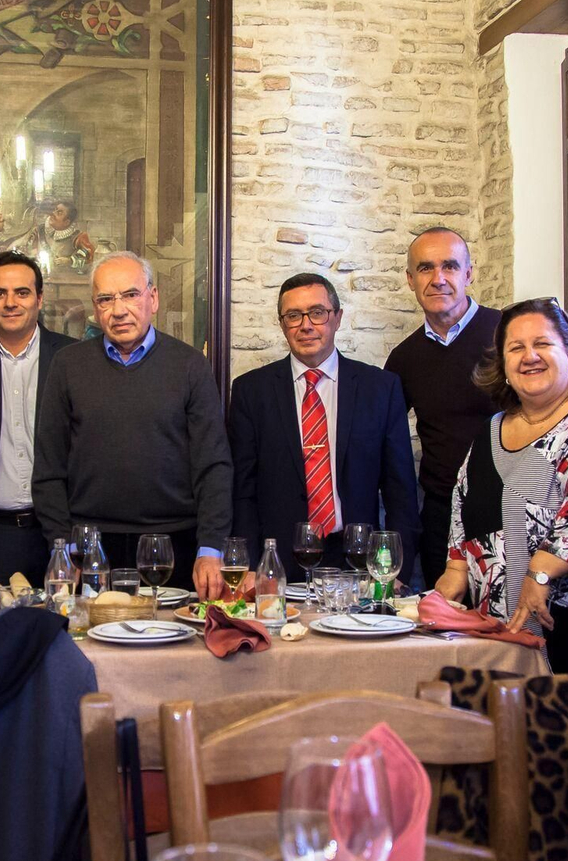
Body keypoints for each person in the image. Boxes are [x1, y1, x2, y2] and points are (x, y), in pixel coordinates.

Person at [436, 298, 568, 672]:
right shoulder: (491, 430)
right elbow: (461, 506)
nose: (530, 357)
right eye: (516, 348)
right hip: (493, 635)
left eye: (542, 344)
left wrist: (540, 571)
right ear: (505, 365)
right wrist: (456, 571)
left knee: (564, 728)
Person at [33, 251, 231, 598]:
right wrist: (60, 548)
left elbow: (213, 465)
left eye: (130, 294)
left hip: (174, 546)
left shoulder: (190, 366)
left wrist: (210, 548)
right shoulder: (68, 366)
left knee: (169, 645)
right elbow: (49, 469)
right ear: (95, 308)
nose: (118, 309)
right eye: (105, 299)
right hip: (89, 550)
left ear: (152, 298)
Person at [229, 272, 420, 581]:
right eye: (293, 316)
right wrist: (251, 565)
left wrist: (398, 567)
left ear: (337, 318)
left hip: (359, 559)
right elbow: (243, 491)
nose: (306, 325)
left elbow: (400, 491)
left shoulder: (380, 388)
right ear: (282, 324)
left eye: (317, 313)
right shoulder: (252, 391)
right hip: (278, 563)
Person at [384, 227, 502, 588]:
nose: (438, 279)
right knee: (446, 633)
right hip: (441, 519)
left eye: (450, 267)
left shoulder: (507, 335)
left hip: (507, 512)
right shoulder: (404, 359)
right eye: (425, 268)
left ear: (468, 274)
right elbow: (382, 443)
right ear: (410, 279)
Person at [0, 251, 76, 586]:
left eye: (22, 293)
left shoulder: (72, 358)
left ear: (40, 299)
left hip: (59, 533)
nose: (10, 302)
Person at [34, 201, 94, 273]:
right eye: (55, 210)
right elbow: (29, 251)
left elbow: (88, 256)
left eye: (59, 213)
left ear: (67, 222)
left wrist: (70, 260)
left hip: (66, 277)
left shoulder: (78, 237)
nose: (53, 213)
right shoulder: (39, 231)